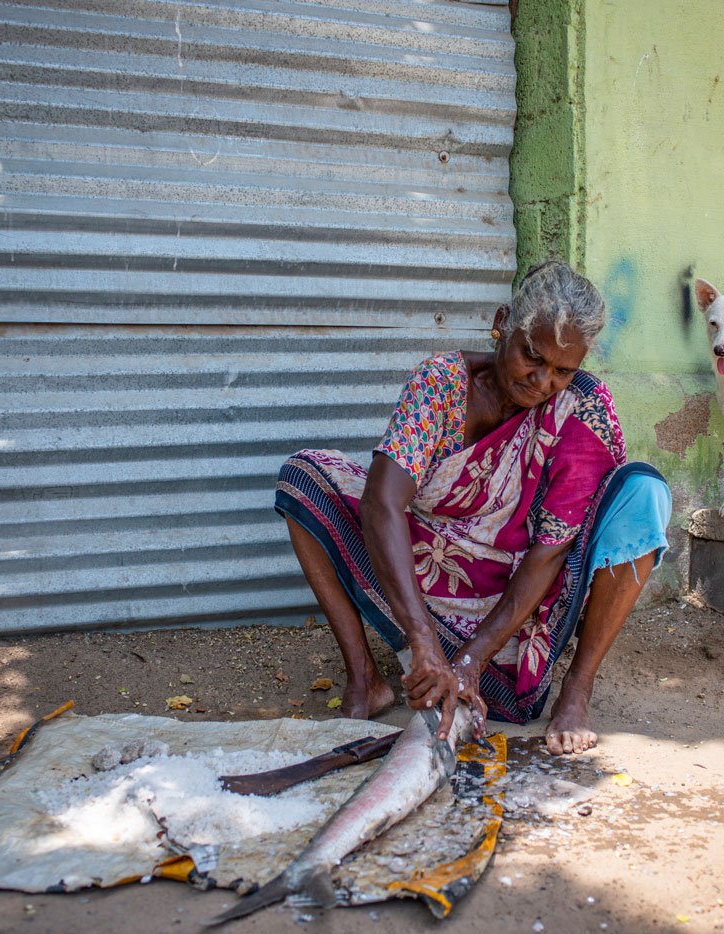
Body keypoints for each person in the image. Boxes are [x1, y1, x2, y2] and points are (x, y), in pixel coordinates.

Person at [275, 260, 671, 754]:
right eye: (532, 355)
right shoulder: (440, 385)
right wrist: (423, 641)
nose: (543, 381)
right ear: (502, 322)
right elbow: (382, 502)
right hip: (436, 572)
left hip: (522, 596)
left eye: (562, 371)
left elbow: (550, 551)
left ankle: (577, 688)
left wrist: (471, 660)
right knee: (306, 476)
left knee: (643, 492)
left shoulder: (580, 408)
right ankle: (365, 680)